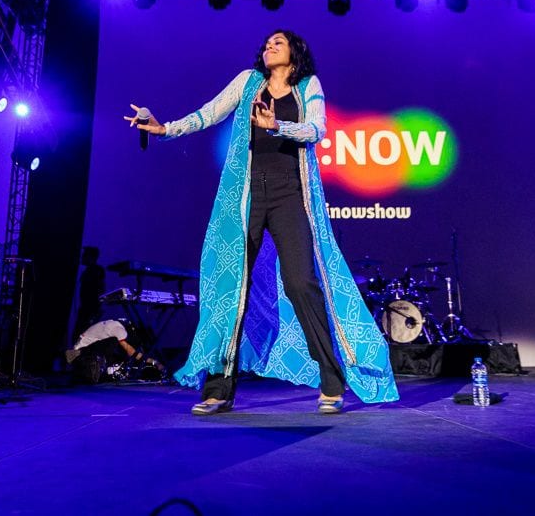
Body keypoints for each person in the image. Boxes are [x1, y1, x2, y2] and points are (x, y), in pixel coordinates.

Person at [125, 29, 399, 414]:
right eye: (267, 44)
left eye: (278, 43)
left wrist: (278, 126)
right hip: (247, 195)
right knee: (232, 286)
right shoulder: (248, 82)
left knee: (301, 283)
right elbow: (209, 112)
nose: (269, 47)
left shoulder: (308, 86)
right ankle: (218, 390)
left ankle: (331, 381)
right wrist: (165, 129)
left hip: (290, 195)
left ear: (295, 52)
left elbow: (317, 129)